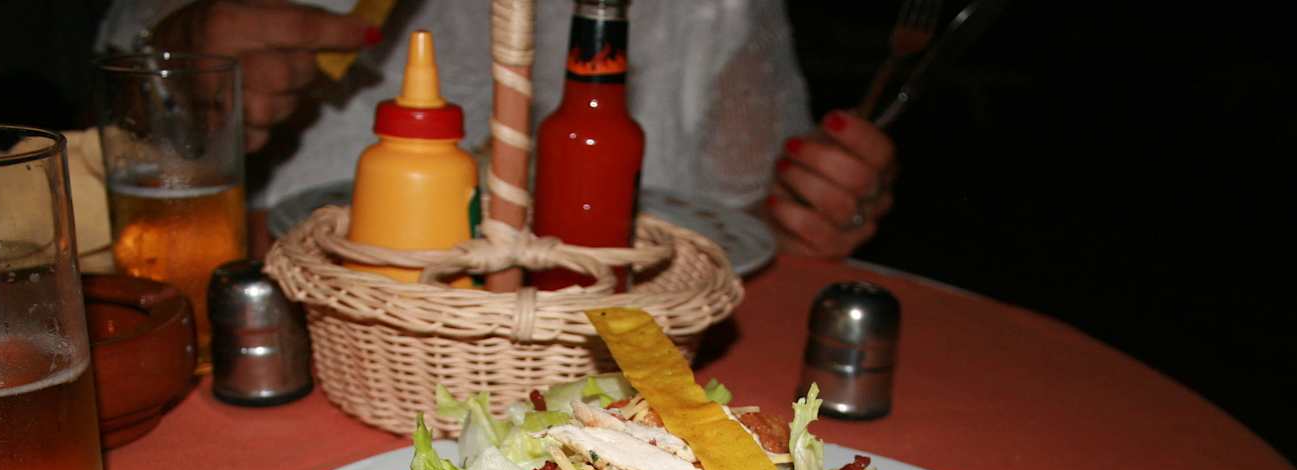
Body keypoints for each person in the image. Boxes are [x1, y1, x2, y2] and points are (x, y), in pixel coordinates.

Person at [96, 0, 895, 259]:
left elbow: (745, 224)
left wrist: (815, 204)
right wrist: (177, 71)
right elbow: (119, 95)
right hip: (308, 327)